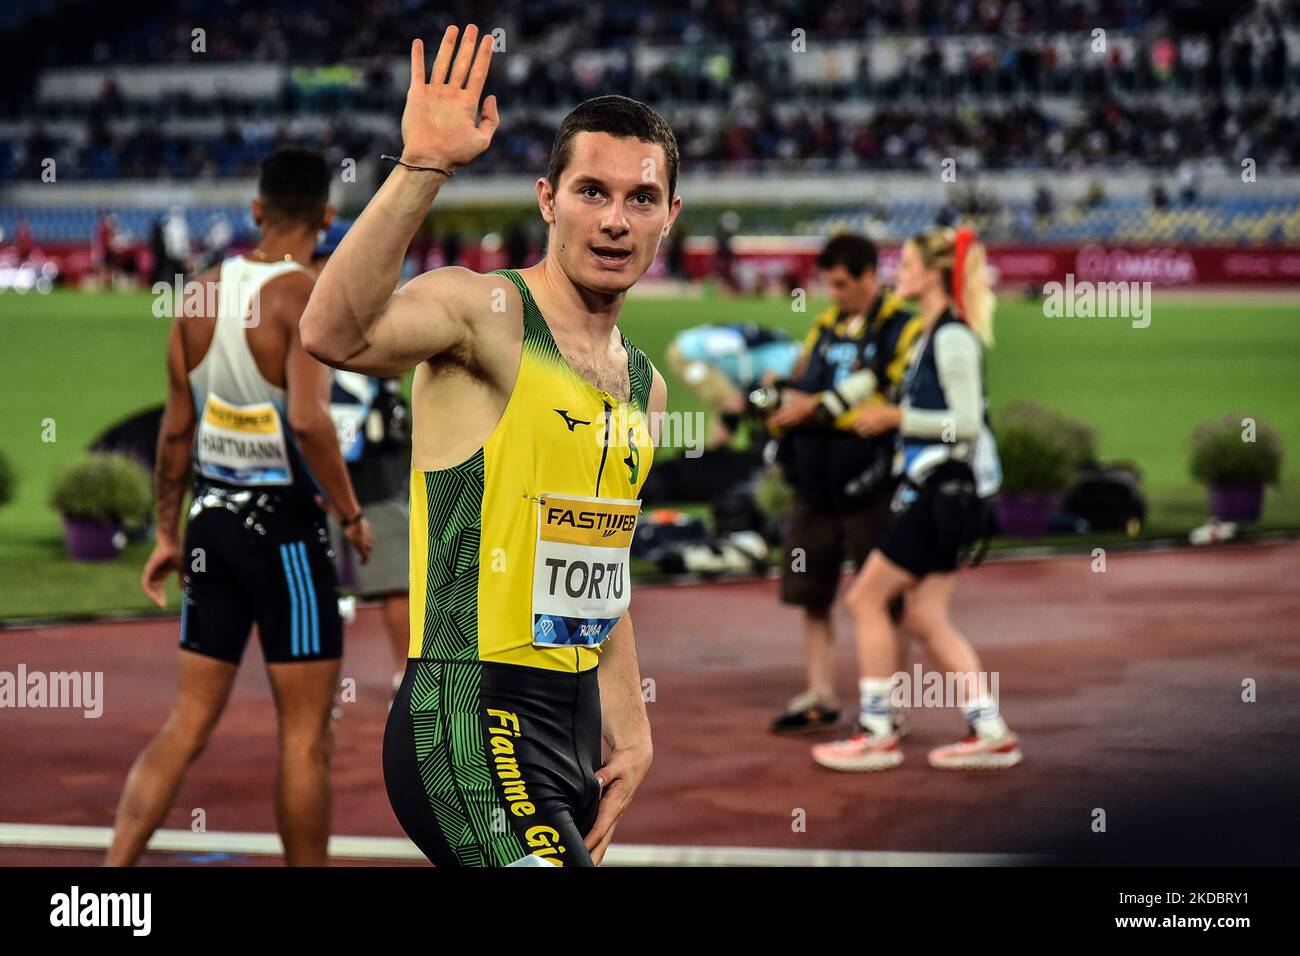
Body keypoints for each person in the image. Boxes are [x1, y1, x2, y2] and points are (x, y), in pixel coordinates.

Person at [301, 25, 675, 867]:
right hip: (465, 715)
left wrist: (633, 723)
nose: (616, 221)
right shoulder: (482, 315)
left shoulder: (643, 387)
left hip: (570, 724)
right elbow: (330, 331)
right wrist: (422, 165)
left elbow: (599, 568)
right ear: (548, 199)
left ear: (669, 217)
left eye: (641, 199)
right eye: (591, 192)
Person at [106, 147, 374, 866]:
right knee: (304, 735)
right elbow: (314, 425)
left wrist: (166, 533)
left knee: (187, 721)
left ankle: (111, 873)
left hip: (208, 525)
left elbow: (173, 432)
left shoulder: (195, 295)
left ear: (256, 211)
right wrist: (349, 514)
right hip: (285, 534)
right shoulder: (306, 296)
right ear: (326, 217)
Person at [811, 226, 1021, 772]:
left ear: (932, 273)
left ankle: (878, 730)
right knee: (925, 617)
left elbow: (968, 424)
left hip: (939, 489)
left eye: (904, 265)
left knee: (865, 600)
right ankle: (990, 729)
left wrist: (895, 416)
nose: (896, 274)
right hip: (945, 491)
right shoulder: (935, 333)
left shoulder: (951, 336)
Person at [764, 234, 925, 735]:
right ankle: (821, 694)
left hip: (871, 479)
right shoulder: (828, 323)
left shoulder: (904, 325)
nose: (833, 294)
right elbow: (807, 378)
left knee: (885, 596)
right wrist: (782, 398)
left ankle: (891, 705)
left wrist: (816, 407)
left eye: (840, 284)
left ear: (867, 275)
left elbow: (896, 388)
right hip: (816, 478)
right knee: (811, 592)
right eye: (828, 284)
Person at [313, 222, 412, 693]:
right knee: (316, 581)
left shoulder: (380, 304)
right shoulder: (305, 310)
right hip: (324, 464)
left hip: (375, 464)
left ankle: (407, 676)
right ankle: (316, 679)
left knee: (394, 576)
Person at [664, 322, 801, 448]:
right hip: (689, 355)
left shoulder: (784, 348)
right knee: (734, 404)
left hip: (690, 347)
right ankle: (720, 460)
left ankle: (718, 458)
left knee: (731, 406)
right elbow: (765, 395)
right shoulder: (787, 358)